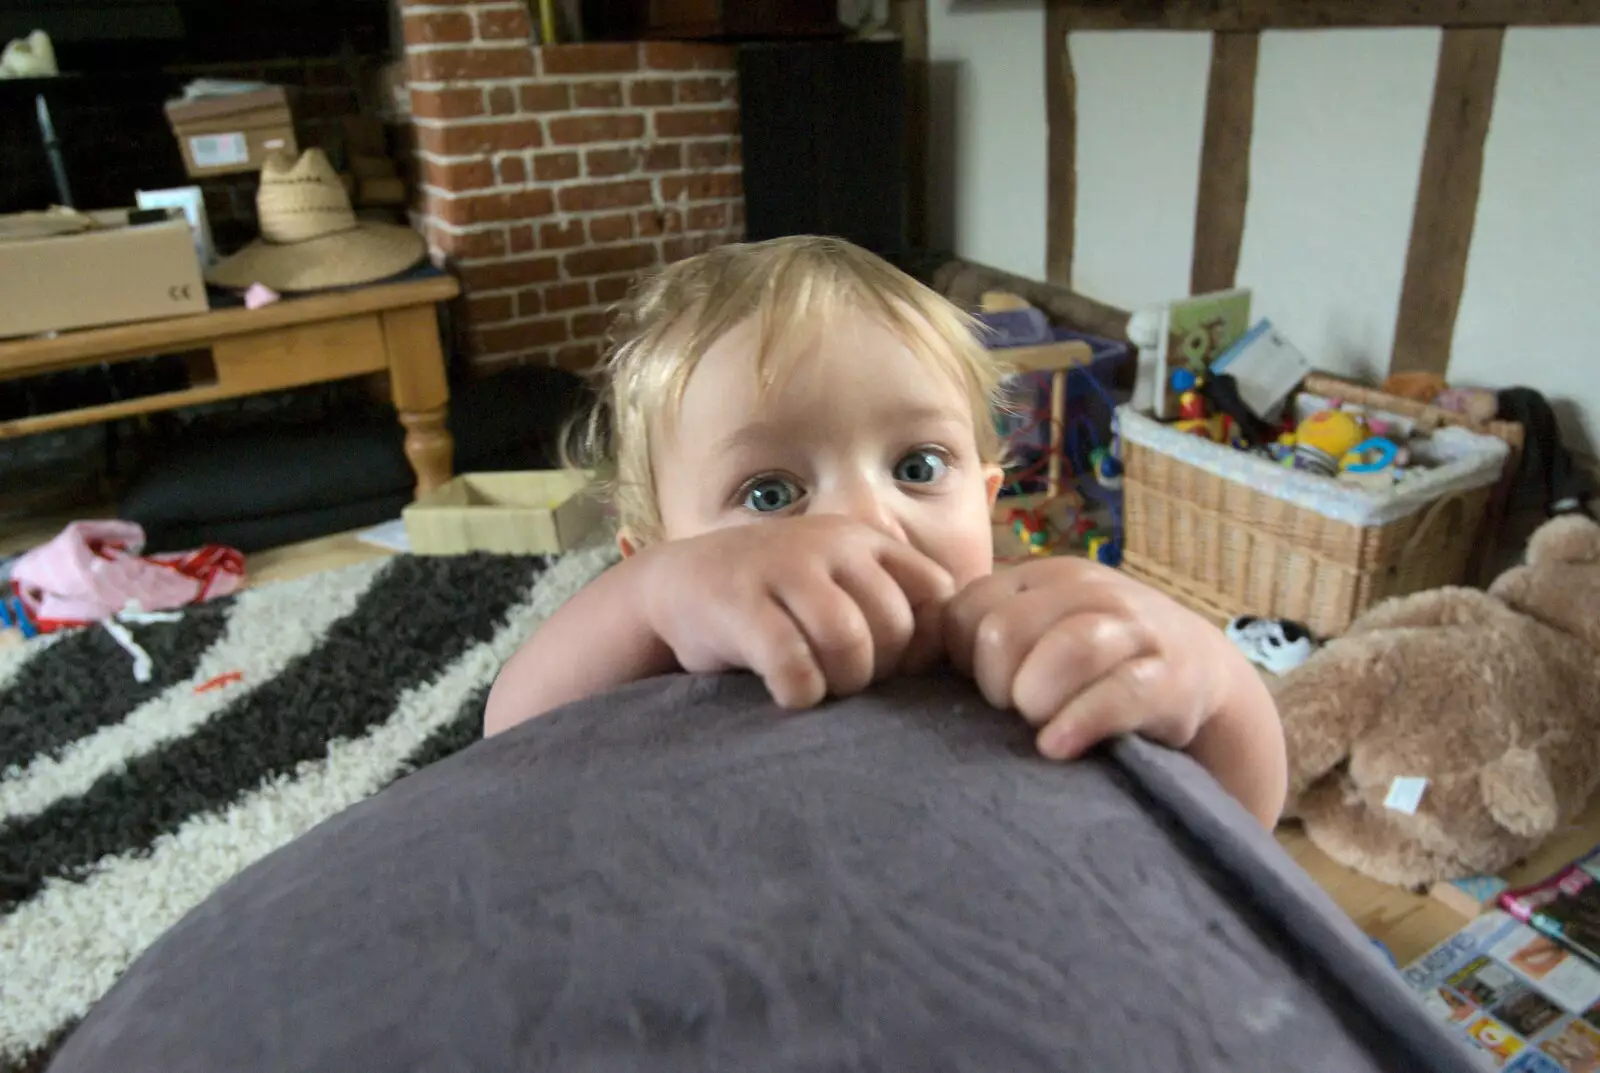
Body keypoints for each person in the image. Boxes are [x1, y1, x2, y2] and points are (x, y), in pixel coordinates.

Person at [484, 236, 1286, 827]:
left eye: (917, 466)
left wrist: (1211, 685)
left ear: (989, 496)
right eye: (770, 492)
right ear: (652, 556)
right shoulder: (672, 666)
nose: (865, 519)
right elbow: (512, 749)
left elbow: (1241, 818)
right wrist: (647, 607)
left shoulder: (1029, 645)